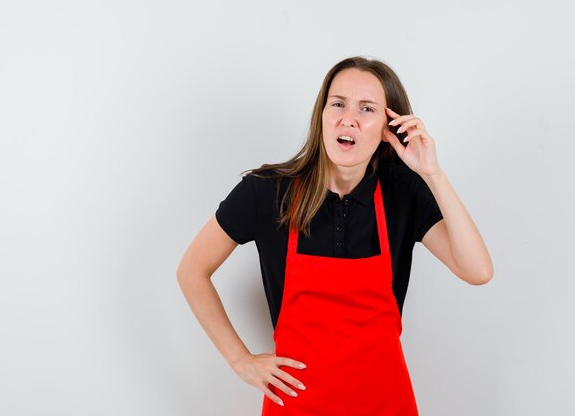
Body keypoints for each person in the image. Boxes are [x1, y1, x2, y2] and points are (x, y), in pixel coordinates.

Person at [176, 56, 493, 415]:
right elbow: (191, 271)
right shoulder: (266, 192)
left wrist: (432, 173)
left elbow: (477, 270)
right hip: (297, 405)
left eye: (367, 108)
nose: (348, 119)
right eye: (338, 104)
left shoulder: (403, 194)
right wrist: (240, 360)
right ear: (322, 115)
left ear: (389, 126)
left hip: (385, 402)